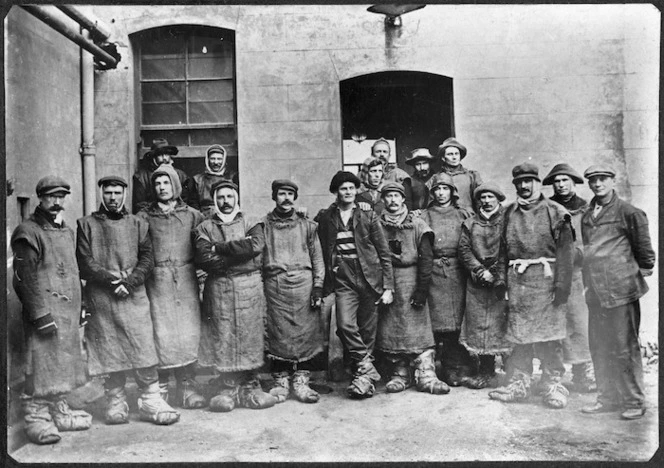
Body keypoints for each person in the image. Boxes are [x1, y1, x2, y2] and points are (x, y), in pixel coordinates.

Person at [77, 176, 180, 426]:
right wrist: (112, 282)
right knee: (109, 348)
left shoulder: (137, 223)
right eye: (108, 193)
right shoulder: (86, 224)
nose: (113, 198)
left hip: (133, 293)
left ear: (124, 194)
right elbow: (84, 261)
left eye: (117, 193)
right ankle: (116, 399)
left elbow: (147, 258)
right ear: (102, 194)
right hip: (102, 296)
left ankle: (150, 399)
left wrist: (130, 282)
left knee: (142, 344)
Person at [11, 176, 92, 445]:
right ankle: (36, 417)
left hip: (66, 312)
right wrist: (40, 315)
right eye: (50, 197)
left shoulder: (66, 231)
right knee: (40, 364)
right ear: (40, 198)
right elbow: (24, 278)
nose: (56, 202)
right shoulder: (27, 232)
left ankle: (58, 408)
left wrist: (80, 306)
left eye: (61, 197)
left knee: (62, 364)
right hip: (44, 314)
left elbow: (72, 271)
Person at [489, 163, 575, 409]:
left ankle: (552, 384)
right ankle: (519, 383)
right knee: (519, 336)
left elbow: (566, 253)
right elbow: (501, 250)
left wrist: (562, 286)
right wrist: (501, 281)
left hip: (547, 281)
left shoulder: (556, 212)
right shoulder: (507, 213)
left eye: (529, 181)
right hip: (518, 282)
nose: (524, 186)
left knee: (549, 336)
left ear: (538, 183)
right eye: (519, 183)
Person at [580, 165, 655, 420]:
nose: (598, 184)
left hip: (621, 290)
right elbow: (589, 251)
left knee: (624, 347)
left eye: (602, 179)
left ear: (612, 181)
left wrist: (634, 274)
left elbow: (644, 251)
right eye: (593, 180)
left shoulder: (628, 212)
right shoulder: (589, 214)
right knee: (600, 346)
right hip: (596, 292)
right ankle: (607, 398)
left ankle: (634, 401)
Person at [194, 180, 277, 412]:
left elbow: (256, 247)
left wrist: (219, 248)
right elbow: (203, 257)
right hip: (219, 288)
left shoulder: (251, 222)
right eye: (220, 197)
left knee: (250, 333)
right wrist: (239, 254)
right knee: (224, 334)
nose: (225, 202)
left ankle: (250, 385)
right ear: (215, 200)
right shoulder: (205, 227)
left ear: (236, 198)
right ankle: (228, 387)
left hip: (248, 287)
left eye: (230, 197)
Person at [316, 171, 394, 399]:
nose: (348, 192)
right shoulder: (327, 216)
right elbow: (315, 234)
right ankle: (366, 366)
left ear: (356, 191)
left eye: (351, 188)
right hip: (344, 278)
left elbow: (384, 253)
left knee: (368, 331)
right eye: (343, 188)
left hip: (370, 277)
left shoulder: (368, 216)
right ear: (336, 192)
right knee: (345, 324)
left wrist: (388, 287)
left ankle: (363, 381)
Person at [137, 164, 206, 409]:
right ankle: (162, 387)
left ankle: (187, 385)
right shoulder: (144, 217)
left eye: (166, 183)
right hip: (157, 280)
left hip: (186, 279)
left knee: (188, 332)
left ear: (175, 185)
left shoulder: (192, 215)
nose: (162, 187)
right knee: (161, 331)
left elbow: (204, 246)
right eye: (157, 183)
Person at [255, 180, 326, 404]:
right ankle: (281, 381)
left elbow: (317, 259)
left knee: (306, 333)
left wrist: (317, 287)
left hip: (304, 285)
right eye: (281, 194)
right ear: (274, 196)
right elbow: (257, 259)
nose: (286, 198)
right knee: (277, 334)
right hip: (275, 285)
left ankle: (301, 381)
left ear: (295, 197)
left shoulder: (308, 225)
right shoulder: (263, 225)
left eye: (290, 194)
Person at [376, 182, 448, 395]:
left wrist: (421, 290)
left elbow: (426, 258)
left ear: (403, 199)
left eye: (396, 196)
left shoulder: (417, 224)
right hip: (388, 282)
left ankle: (426, 374)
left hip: (412, 279)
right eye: (388, 196)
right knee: (393, 328)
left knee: (418, 328)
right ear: (383, 200)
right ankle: (400, 373)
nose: (392, 201)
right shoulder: (377, 224)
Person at [543, 163, 596, 393]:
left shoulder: (585, 209)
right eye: (557, 181)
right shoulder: (547, 207)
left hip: (576, 272)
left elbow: (593, 241)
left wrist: (579, 255)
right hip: (550, 271)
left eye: (565, 180)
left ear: (573, 182)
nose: (561, 185)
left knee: (578, 321)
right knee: (553, 322)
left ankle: (582, 373)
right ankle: (553, 374)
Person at [420, 173, 474, 387]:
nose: (441, 193)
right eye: (437, 189)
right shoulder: (424, 215)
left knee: (456, 323)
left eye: (445, 189)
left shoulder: (464, 214)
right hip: (433, 272)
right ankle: (435, 368)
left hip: (458, 271)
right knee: (436, 321)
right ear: (432, 193)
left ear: (453, 192)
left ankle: (454, 367)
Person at [458, 182, 512, 389]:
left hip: (502, 278)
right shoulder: (470, 223)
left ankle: (512, 373)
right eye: (483, 197)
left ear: (498, 199)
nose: (487, 201)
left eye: (491, 197)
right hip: (478, 281)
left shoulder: (508, 220)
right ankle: (486, 371)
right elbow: (463, 249)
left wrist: (497, 273)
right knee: (479, 324)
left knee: (504, 322)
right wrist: (480, 271)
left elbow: (509, 246)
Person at [132, 138, 192, 214]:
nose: (164, 158)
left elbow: (185, 201)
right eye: (160, 155)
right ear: (153, 157)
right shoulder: (141, 177)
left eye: (167, 154)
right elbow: (140, 205)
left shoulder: (181, 175)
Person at [430, 137, 483, 212]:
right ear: (443, 158)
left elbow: (480, 200)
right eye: (450, 154)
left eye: (456, 154)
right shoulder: (436, 178)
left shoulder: (472, 176)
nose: (454, 157)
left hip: (468, 217)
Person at [189, 144, 238, 217]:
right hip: (204, 217)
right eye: (212, 158)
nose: (215, 162)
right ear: (207, 160)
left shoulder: (232, 177)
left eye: (219, 159)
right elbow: (193, 203)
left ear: (224, 160)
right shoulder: (197, 180)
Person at [370, 138, 413, 209]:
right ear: (372, 154)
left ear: (389, 155)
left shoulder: (399, 175)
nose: (381, 155)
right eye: (378, 151)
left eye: (385, 152)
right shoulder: (363, 175)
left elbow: (407, 202)